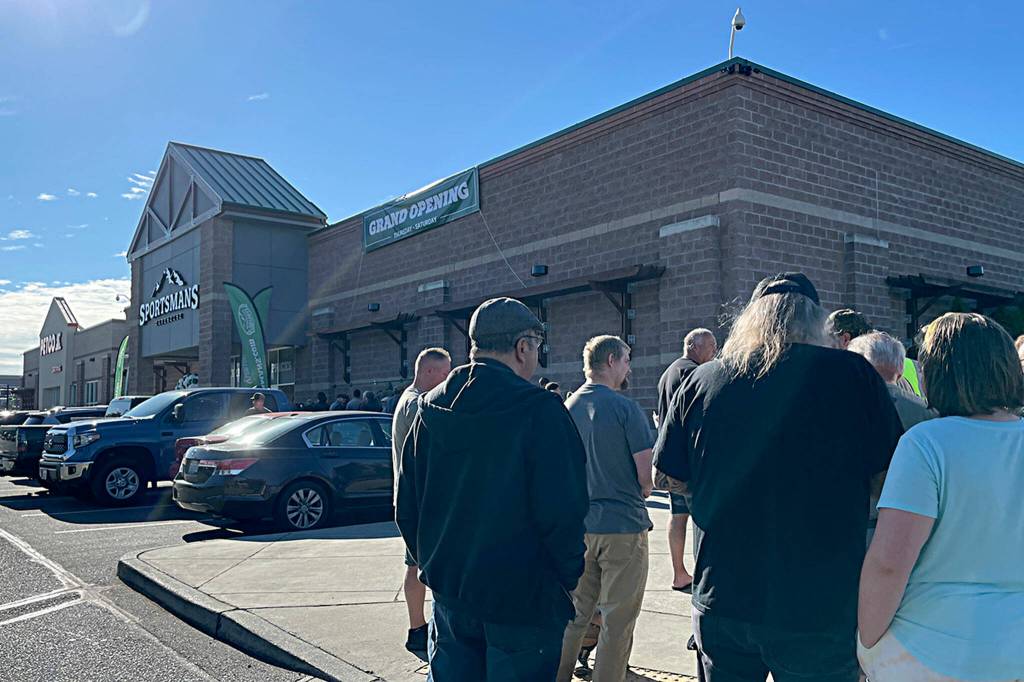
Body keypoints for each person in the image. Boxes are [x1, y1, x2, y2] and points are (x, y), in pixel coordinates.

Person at [654, 273, 903, 682]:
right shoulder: (852, 373)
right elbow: (890, 474)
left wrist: (716, 498)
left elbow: (665, 476)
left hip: (725, 592)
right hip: (819, 601)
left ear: (750, 318)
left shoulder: (702, 379)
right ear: (817, 320)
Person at [396, 297, 588, 681]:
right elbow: (564, 511)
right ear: (522, 347)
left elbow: (407, 505)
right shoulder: (540, 410)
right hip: (523, 601)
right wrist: (567, 579)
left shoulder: (429, 408)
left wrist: (433, 566)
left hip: (452, 596)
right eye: (537, 345)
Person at [857, 313, 1024, 682]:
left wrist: (867, 643)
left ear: (937, 373)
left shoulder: (926, 443)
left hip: (929, 650)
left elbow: (888, 563)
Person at [556, 336, 654, 682]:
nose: (629, 367)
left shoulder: (566, 408)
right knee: (618, 619)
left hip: (580, 527)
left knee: (575, 614)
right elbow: (646, 478)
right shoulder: (626, 409)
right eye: (626, 359)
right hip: (623, 526)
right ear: (611, 360)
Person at [848, 331, 937, 544]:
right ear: (900, 368)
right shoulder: (927, 415)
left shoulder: (839, 408)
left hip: (852, 522)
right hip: (909, 525)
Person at [391, 348, 453, 653]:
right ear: (428, 371)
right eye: (445, 373)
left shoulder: (408, 399)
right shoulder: (418, 405)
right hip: (419, 501)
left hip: (412, 500)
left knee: (415, 564)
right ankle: (418, 629)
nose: (448, 379)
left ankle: (417, 627)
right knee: (417, 565)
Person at [654, 327, 717, 593]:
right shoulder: (693, 373)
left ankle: (679, 572)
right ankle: (702, 574)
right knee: (701, 517)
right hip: (691, 462)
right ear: (694, 346)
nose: (715, 353)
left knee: (678, 515)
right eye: (711, 347)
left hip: (672, 459)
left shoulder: (668, 373)